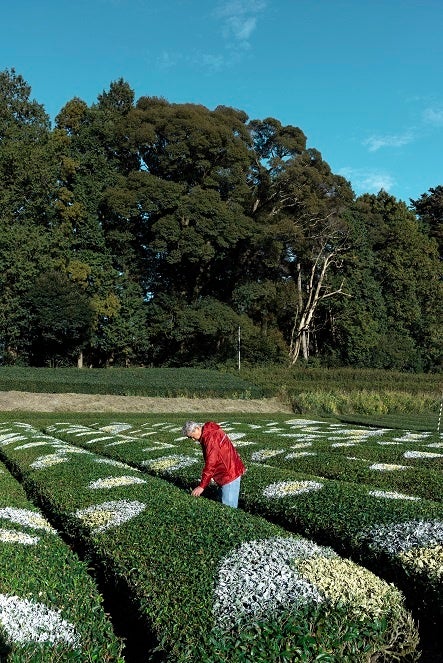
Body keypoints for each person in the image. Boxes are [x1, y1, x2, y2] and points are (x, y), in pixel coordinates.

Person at [181, 420, 246, 508]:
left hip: (228, 474)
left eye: (192, 436)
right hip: (227, 471)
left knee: (228, 510)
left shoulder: (210, 438)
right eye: (190, 438)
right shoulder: (209, 432)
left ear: (197, 428)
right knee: (223, 505)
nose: (193, 439)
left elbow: (211, 463)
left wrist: (202, 486)